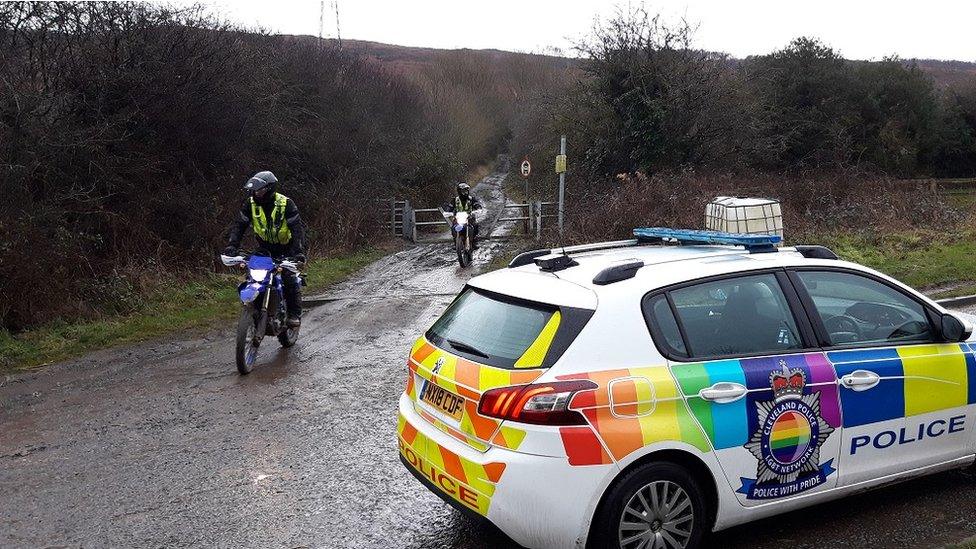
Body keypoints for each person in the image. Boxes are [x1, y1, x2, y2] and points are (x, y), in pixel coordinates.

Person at [223, 171, 305, 327]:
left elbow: (297, 229)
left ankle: (294, 314)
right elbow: (239, 225)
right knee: (252, 276)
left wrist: (298, 252)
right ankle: (255, 308)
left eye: (260, 190)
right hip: (264, 248)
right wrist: (232, 245)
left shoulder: (286, 204)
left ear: (269, 189)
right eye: (254, 191)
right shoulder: (250, 204)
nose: (256, 193)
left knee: (289, 277)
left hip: (287, 248)